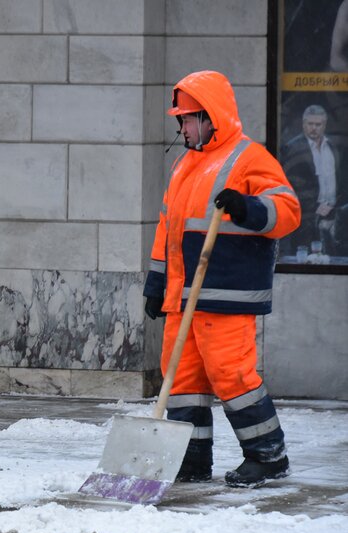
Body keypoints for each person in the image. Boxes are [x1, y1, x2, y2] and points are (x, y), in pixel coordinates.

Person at [143, 71, 301, 488]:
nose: (182, 128)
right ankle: (191, 460)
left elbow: (287, 211)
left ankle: (268, 456)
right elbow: (168, 229)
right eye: (180, 121)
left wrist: (247, 207)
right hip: (183, 296)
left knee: (232, 375)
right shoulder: (184, 164)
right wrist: (156, 284)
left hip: (227, 293)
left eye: (189, 119)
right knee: (182, 381)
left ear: (211, 117)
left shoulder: (248, 157)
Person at [280, 105, 348, 257]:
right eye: (310, 124)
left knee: (331, 258)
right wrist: (315, 208)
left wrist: (334, 207)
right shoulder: (292, 148)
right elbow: (291, 185)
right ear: (303, 124)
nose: (314, 128)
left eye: (318, 124)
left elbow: (339, 179)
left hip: (333, 215)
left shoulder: (333, 146)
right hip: (306, 218)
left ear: (324, 125)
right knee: (306, 258)